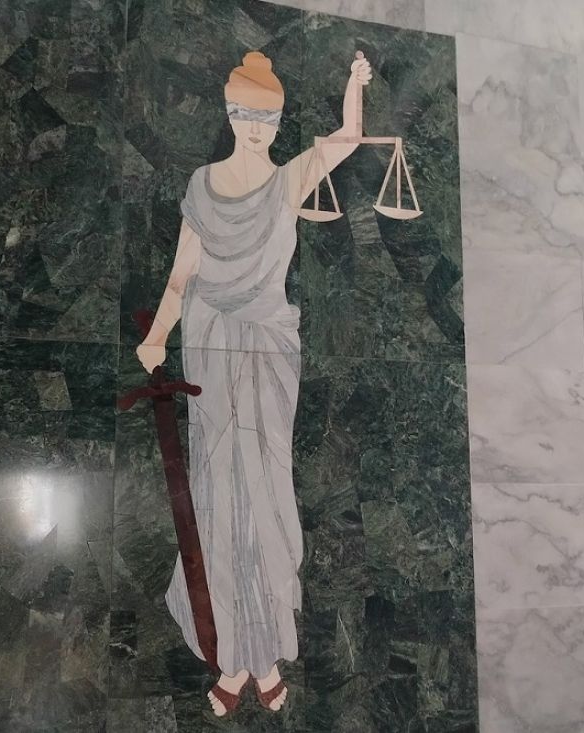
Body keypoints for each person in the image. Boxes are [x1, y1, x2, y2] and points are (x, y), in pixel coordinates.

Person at [136, 49, 372, 716]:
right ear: (229, 112)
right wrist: (157, 333)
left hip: (267, 353)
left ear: (278, 122)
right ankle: (232, 658)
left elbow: (348, 139)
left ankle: (264, 655)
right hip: (211, 348)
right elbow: (182, 272)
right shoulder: (202, 185)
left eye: (267, 119)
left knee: (265, 495)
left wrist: (354, 85)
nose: (256, 129)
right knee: (219, 497)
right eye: (245, 115)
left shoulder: (289, 180)